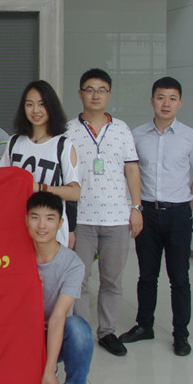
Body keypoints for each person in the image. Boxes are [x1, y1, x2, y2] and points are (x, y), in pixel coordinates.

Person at [120, 77, 193, 357]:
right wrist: (134, 208)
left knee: (179, 278)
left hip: (179, 214)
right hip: (146, 213)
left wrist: (188, 206)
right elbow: (129, 173)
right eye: (161, 97)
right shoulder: (136, 135)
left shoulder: (191, 136)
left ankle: (181, 334)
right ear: (152, 101)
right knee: (147, 275)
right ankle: (144, 325)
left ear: (180, 103)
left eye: (172, 98)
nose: (166, 103)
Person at [65, 68, 142, 357]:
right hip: (81, 218)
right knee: (79, 279)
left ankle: (107, 332)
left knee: (112, 280)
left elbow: (132, 169)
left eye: (101, 90)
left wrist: (136, 207)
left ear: (109, 94)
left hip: (117, 217)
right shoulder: (67, 130)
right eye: (89, 89)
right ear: (80, 94)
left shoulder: (122, 129)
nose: (95, 95)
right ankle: (82, 332)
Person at [27, 191, 95, 384]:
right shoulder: (16, 256)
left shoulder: (72, 264)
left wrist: (49, 369)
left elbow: (58, 317)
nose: (41, 225)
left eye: (49, 218)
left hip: (55, 332)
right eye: (35, 217)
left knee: (79, 328)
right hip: (24, 333)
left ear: (60, 223)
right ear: (26, 220)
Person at [0, 80, 80, 248]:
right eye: (29, 104)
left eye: (42, 104)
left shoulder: (63, 145)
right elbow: (0, 182)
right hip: (17, 227)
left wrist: (40, 188)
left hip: (50, 233)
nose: (35, 110)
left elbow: (74, 192)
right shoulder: (14, 142)